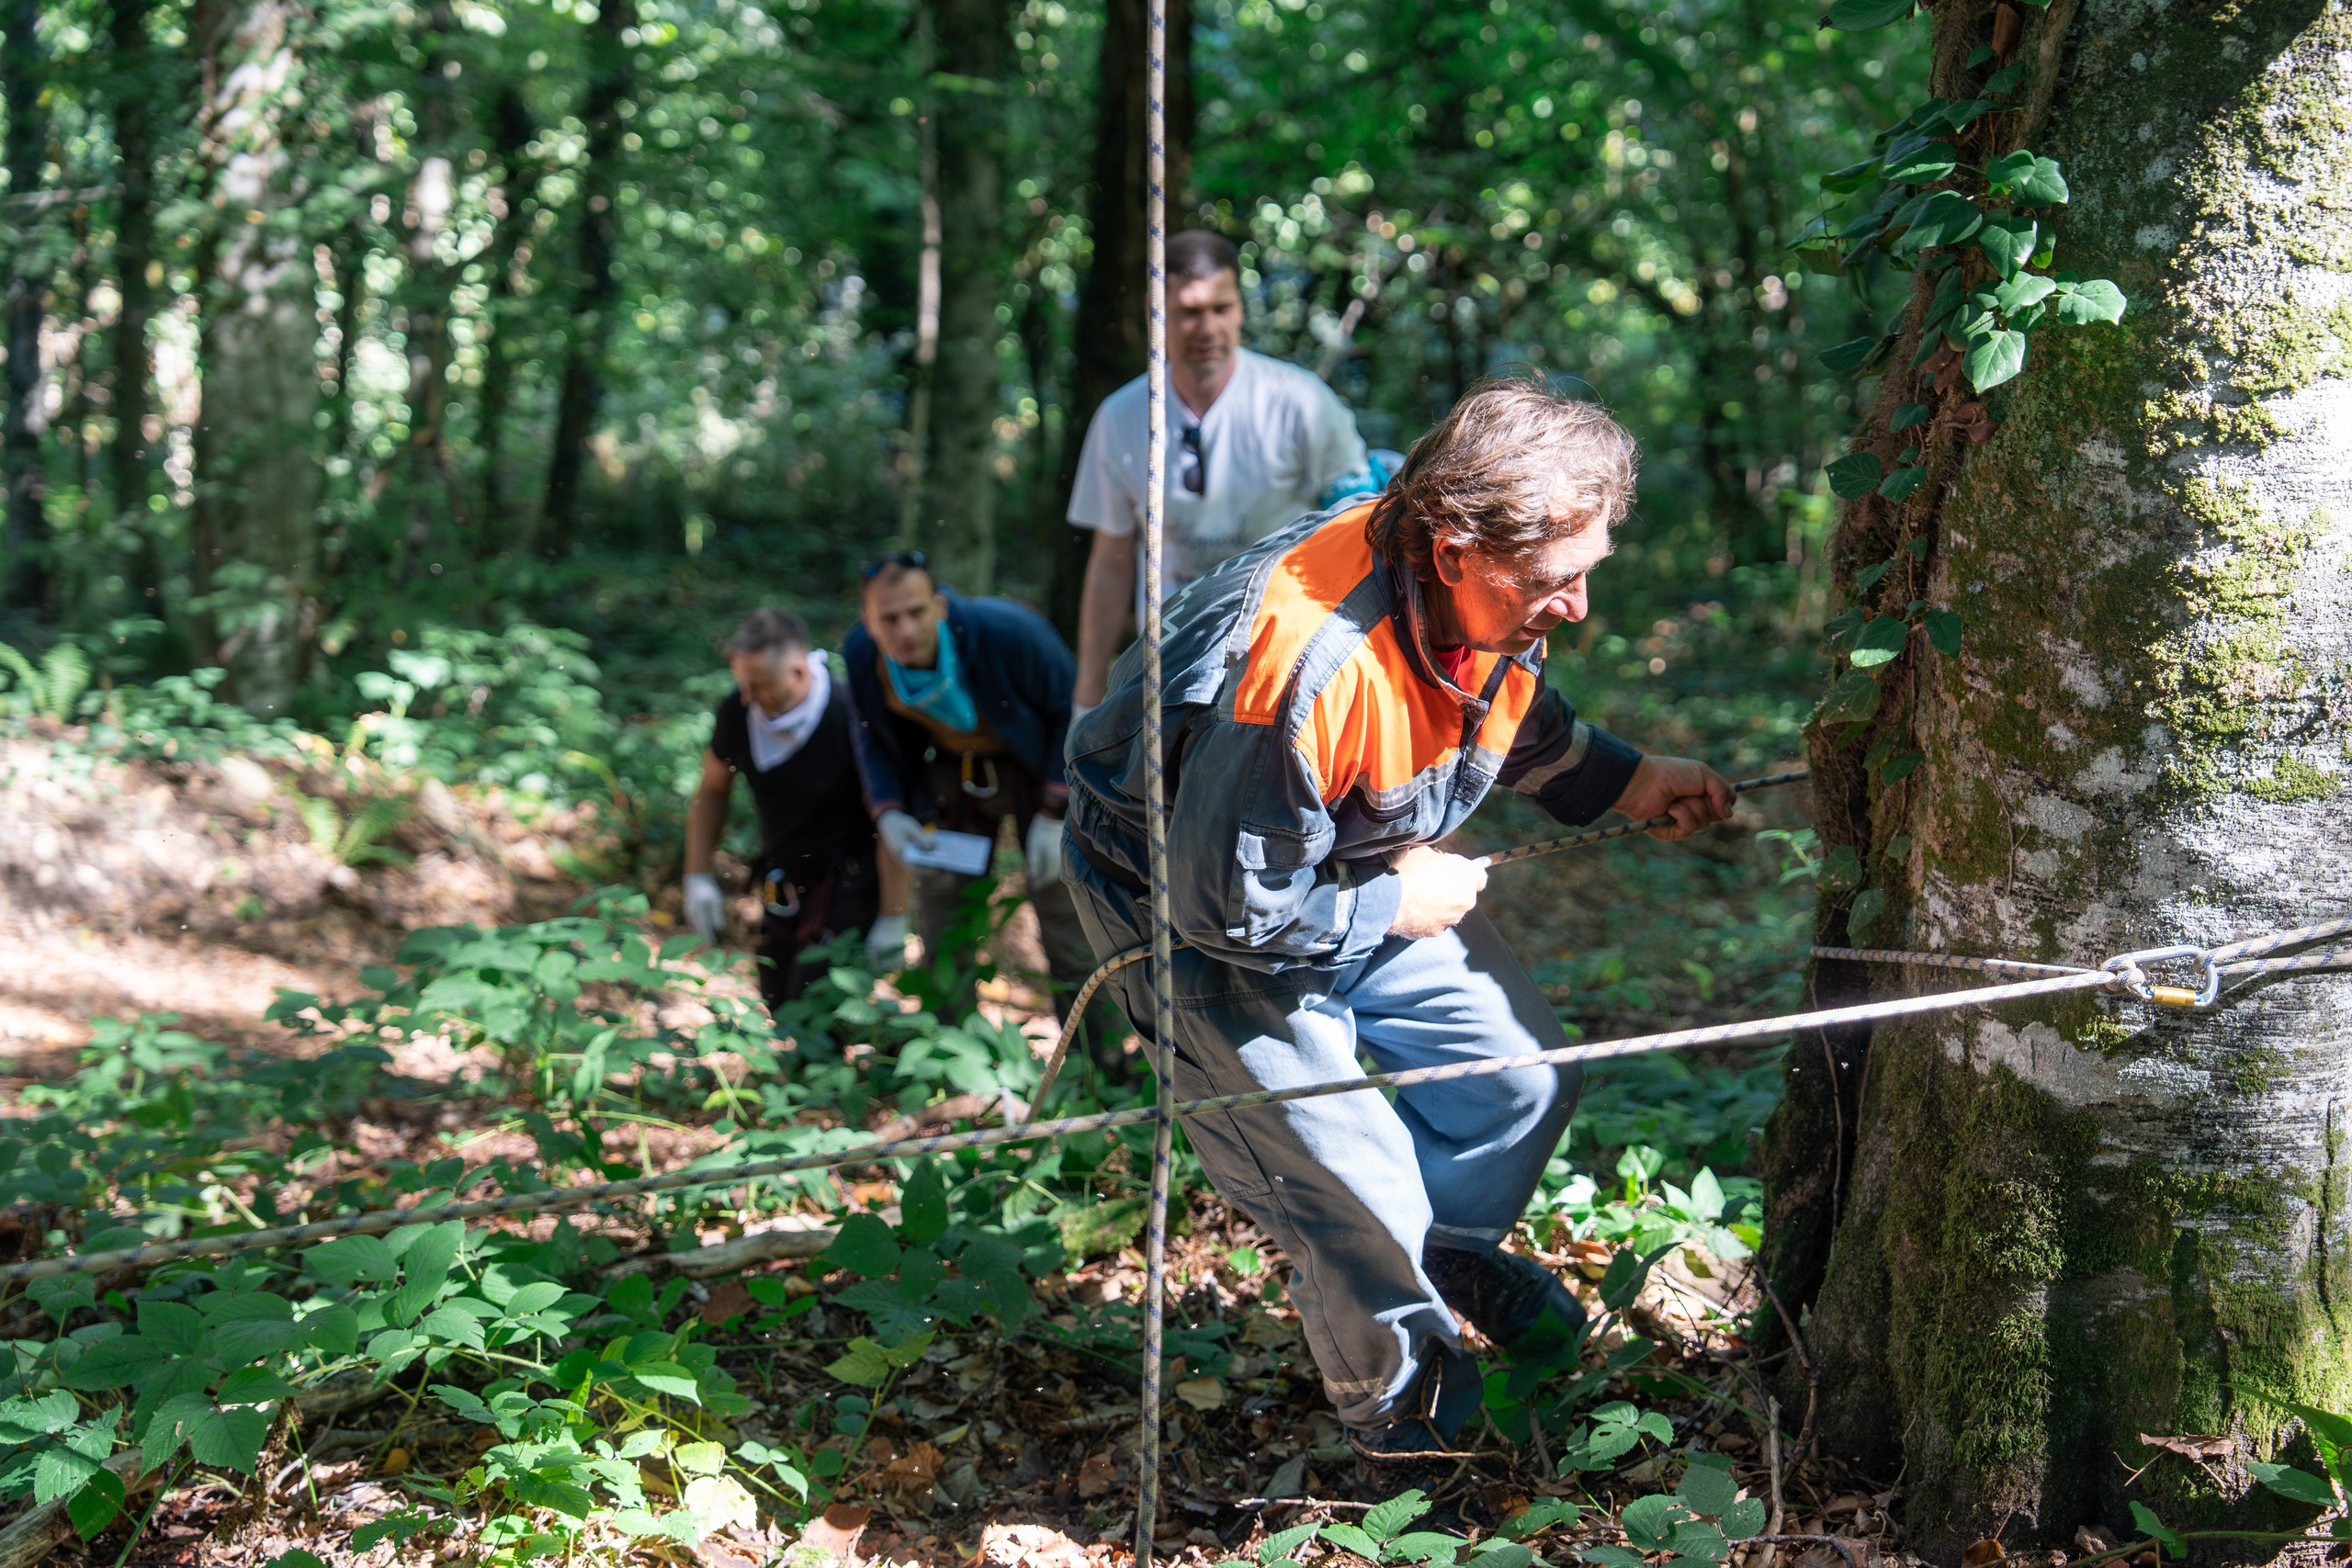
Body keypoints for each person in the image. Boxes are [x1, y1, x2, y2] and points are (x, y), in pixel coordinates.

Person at [1060, 376, 1736, 1503]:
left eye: (1585, 573)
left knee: (1513, 1079)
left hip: (1331, 858)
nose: (1574, 607)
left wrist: (1625, 782)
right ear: (1455, 546)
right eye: (1553, 581)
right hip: (1193, 908)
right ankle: (1412, 1434)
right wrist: (1393, 905)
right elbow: (1224, 910)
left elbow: (1496, 702)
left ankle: (1445, 1253)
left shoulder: (1475, 594)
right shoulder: (1296, 669)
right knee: (1353, 1180)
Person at [1066, 229, 1388, 717]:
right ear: (1157, 315)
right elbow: (1111, 560)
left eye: (1222, 308)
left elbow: (1362, 527)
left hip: (1284, 652)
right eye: (1189, 313)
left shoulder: (1299, 402)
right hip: (1174, 658)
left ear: (1240, 308)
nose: (1208, 328)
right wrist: (1087, 696)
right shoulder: (1121, 418)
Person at [841, 552, 1116, 1054]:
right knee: (943, 909)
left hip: (1042, 765)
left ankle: (1098, 1068)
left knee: (1064, 909)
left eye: (916, 612)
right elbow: (871, 738)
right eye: (889, 618)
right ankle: (948, 1053)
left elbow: (1075, 715)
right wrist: (891, 810)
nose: (905, 629)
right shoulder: (862, 656)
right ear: (868, 621)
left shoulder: (1009, 632)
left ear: (940, 606)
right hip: (955, 773)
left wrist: (1057, 813)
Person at [683, 608, 900, 1010]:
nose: (748, 697)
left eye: (760, 685)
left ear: (798, 672)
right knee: (777, 1003)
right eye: (742, 684)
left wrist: (894, 916)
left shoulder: (850, 714)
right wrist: (697, 874)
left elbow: (893, 816)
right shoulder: (738, 711)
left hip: (851, 884)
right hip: (782, 883)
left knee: (814, 1015)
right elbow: (713, 789)